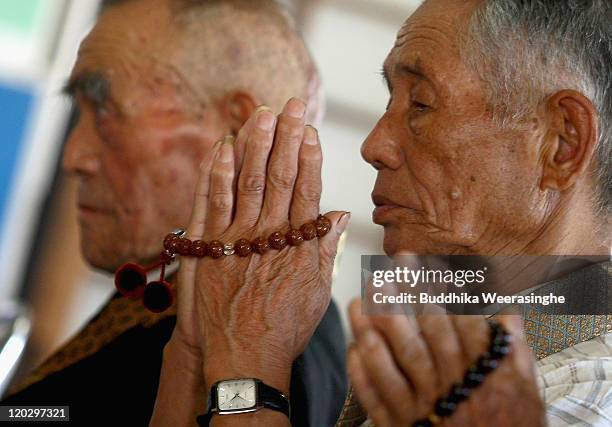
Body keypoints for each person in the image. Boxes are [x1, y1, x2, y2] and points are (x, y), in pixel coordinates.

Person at [159, 0, 611, 426]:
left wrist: (249, 362)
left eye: (421, 104)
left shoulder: (589, 392)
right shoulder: (446, 347)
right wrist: (197, 349)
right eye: (390, 99)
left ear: (561, 144)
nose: (374, 146)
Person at [3, 1, 347, 426]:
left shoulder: (267, 345)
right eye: (80, 113)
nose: (75, 158)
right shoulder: (172, 295)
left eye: (105, 112)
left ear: (237, 131)